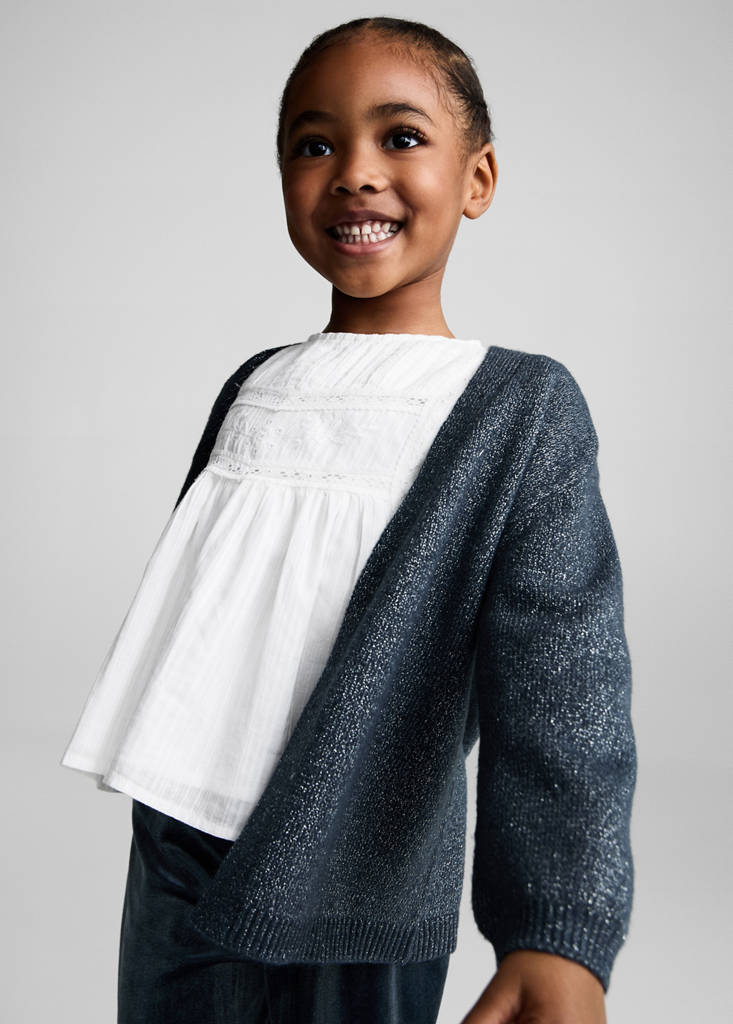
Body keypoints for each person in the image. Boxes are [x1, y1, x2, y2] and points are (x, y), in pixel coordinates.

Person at [59, 15, 637, 1024]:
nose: (355, 172)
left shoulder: (517, 409)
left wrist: (557, 932)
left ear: (477, 179)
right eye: (313, 144)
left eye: (401, 137)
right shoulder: (255, 385)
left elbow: (564, 690)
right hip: (175, 848)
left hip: (357, 879)